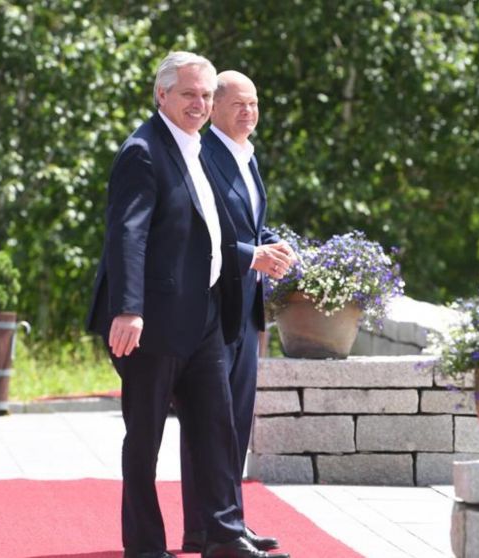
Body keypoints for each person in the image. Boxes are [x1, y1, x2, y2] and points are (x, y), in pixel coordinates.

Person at [87, 52, 290, 558]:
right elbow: (127, 234)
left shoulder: (198, 148)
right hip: (152, 324)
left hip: (204, 317)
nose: (199, 104)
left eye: (204, 95)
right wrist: (128, 309)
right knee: (145, 439)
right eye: (188, 95)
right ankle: (145, 545)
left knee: (215, 428)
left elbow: (213, 233)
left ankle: (221, 534)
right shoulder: (144, 150)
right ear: (161, 96)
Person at [179, 71, 296, 554]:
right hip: (212, 308)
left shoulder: (247, 158)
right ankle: (208, 528)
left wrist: (271, 243)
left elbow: (249, 223)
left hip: (245, 308)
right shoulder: (204, 156)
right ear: (215, 107)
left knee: (235, 420)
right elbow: (200, 233)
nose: (248, 112)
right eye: (238, 104)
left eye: (255, 104)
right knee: (210, 421)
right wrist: (252, 253)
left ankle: (228, 523)